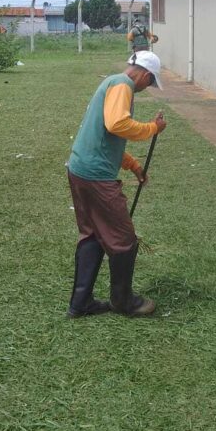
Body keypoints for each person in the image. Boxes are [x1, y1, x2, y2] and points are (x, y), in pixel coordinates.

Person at [66, 51, 167, 318]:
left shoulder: (110, 83)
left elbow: (104, 138)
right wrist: (152, 128)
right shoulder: (123, 86)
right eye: (151, 83)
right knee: (123, 239)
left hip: (80, 169)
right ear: (145, 75)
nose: (148, 88)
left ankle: (81, 303)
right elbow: (117, 124)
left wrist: (134, 166)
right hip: (96, 176)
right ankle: (124, 302)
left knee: (92, 235)